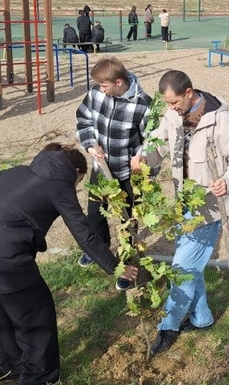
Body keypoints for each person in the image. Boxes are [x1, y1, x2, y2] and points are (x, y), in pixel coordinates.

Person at [0, 142, 138, 384]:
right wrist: (117, 268)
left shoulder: (16, 171)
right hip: (5, 262)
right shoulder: (60, 186)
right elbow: (85, 234)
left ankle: (12, 371)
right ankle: (38, 378)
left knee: (0, 319)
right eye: (79, 181)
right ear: (76, 173)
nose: (77, 186)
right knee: (36, 320)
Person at [131, 70, 229, 355]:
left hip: (209, 208)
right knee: (190, 267)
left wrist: (228, 180)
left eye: (174, 102)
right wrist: (143, 157)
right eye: (167, 104)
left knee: (182, 271)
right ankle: (203, 318)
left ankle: (168, 326)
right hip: (182, 204)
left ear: (189, 92)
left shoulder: (219, 120)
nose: (170, 108)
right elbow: (157, 143)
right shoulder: (172, 115)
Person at [75, 57, 152, 289]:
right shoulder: (95, 95)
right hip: (101, 170)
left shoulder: (143, 104)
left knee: (127, 221)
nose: (100, 89)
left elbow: (150, 140)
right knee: (95, 215)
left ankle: (127, 266)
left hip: (128, 175)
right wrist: (90, 145)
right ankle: (99, 251)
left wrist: (141, 161)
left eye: (104, 85)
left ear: (118, 82)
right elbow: (83, 120)